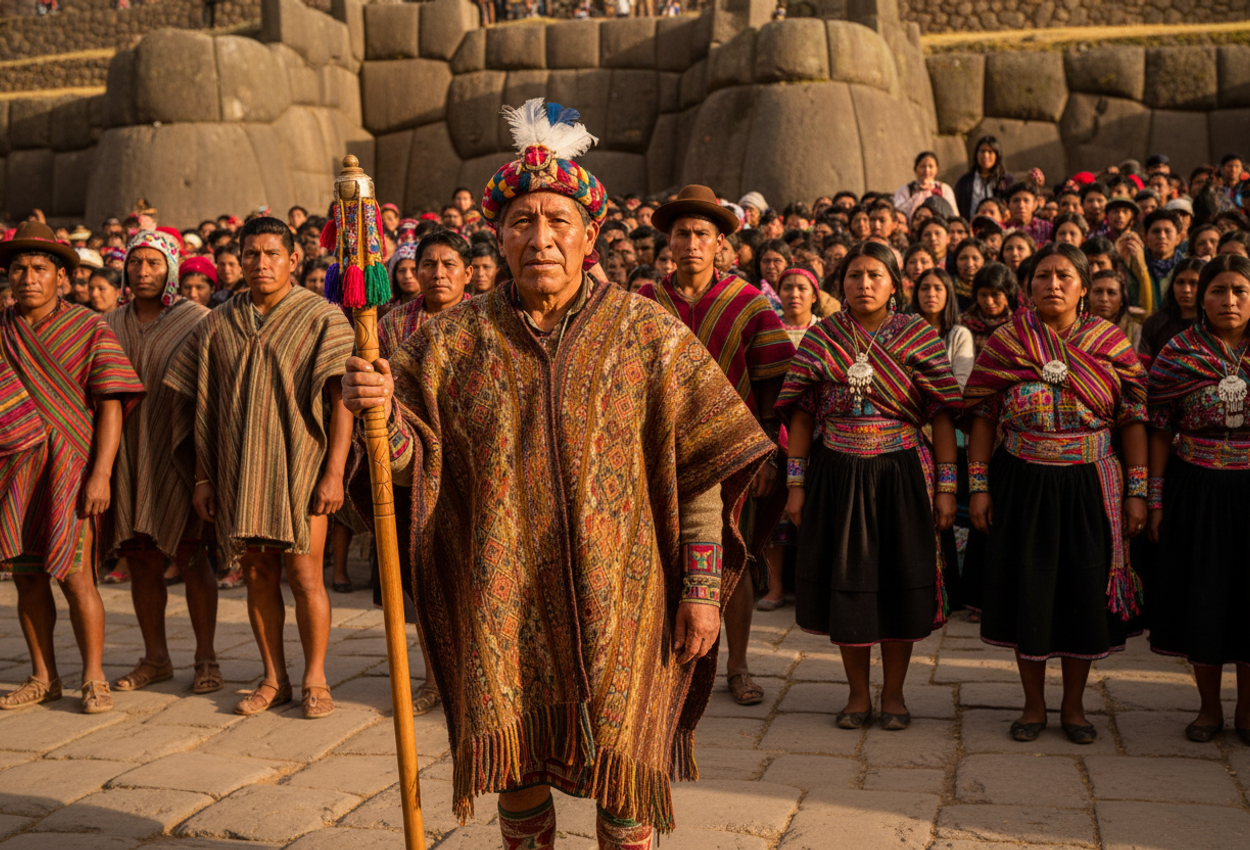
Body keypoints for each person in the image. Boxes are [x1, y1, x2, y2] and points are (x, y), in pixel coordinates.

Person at [341, 102, 774, 847]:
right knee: (517, 765)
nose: (539, 237)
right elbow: (410, 472)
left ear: (589, 235)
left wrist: (702, 590)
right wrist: (381, 417)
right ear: (498, 237)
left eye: (557, 222)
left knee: (625, 768)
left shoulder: (648, 334)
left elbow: (702, 468)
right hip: (502, 599)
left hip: (627, 598)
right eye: (522, 222)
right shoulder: (447, 342)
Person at [164, 216, 354, 720]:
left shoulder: (322, 317)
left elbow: (342, 402)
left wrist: (334, 472)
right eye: (251, 254)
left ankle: (316, 678)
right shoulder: (218, 322)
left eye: (272, 253)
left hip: (302, 466)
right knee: (257, 573)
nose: (261, 263)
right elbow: (202, 403)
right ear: (240, 259)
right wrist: (204, 476)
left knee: (306, 574)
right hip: (239, 469)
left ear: (294, 260)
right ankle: (275, 678)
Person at [964, 242, 1148, 745]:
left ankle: (1073, 707)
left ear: (1084, 287)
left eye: (1064, 275)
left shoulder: (1110, 342)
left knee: (1080, 591)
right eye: (1042, 276)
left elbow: (1132, 418)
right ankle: (1031, 705)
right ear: (1028, 287)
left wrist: (1137, 491)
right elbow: (982, 414)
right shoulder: (1007, 342)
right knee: (1030, 589)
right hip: (1022, 479)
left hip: (1090, 482)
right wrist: (977, 486)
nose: (1052, 284)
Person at [779, 242, 960, 731]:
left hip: (902, 470)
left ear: (895, 284)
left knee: (900, 583)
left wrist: (947, 488)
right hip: (837, 471)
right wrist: (795, 485)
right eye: (855, 275)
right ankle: (857, 696)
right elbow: (801, 414)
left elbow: (942, 413)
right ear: (842, 285)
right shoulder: (822, 339)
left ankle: (896, 695)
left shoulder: (918, 336)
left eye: (875, 274)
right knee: (851, 584)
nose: (864, 284)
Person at [637, 184, 796, 710]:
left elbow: (774, 385)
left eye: (701, 233)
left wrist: (771, 451)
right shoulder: (643, 303)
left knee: (730, 556)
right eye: (681, 233)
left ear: (721, 243)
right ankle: (669, 665)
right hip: (657, 453)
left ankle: (739, 664)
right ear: (669, 240)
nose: (690, 242)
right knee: (661, 561)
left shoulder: (749, 304)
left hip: (735, 455)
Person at [0, 222, 144, 714]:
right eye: (18, 268)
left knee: (76, 576)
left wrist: (101, 472)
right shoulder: (3, 331)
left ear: (62, 278)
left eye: (40, 268)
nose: (28, 277)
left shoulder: (87, 327)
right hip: (15, 470)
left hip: (71, 468)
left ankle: (94, 677)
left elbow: (110, 403)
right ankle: (43, 676)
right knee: (27, 577)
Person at [103, 231, 220, 696]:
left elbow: (211, 390)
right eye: (136, 263)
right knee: (142, 561)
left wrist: (206, 470)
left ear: (172, 268)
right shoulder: (109, 322)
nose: (143, 271)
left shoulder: (198, 320)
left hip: (183, 455)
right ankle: (155, 657)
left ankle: (206, 658)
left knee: (192, 558)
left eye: (153, 263)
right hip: (129, 456)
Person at [1145, 253, 1250, 744]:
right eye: (1218, 290)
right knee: (1204, 597)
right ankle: (1209, 709)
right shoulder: (1177, 353)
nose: (1229, 300)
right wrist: (1157, 500)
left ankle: (1248, 710)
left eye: (1240, 290)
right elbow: (1161, 431)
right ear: (1200, 297)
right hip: (1197, 488)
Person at [756, 266, 824, 612]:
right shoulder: (772, 332)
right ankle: (776, 585)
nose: (794, 294)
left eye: (802, 288)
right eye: (787, 287)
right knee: (778, 513)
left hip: (821, 433)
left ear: (815, 294)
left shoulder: (825, 333)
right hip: (780, 432)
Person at [1138, 257, 1205, 368]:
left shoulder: (1212, 325)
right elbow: (1144, 365)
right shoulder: (1156, 323)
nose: (1186, 289)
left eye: (1194, 283)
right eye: (1180, 282)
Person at [915, 268, 974, 389]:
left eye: (938, 288)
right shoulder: (905, 333)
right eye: (925, 288)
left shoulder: (960, 335)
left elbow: (961, 384)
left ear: (948, 294)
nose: (931, 294)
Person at [961, 263, 1018, 355]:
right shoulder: (963, 325)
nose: (989, 302)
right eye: (983, 295)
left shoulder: (1019, 326)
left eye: (995, 295)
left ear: (1008, 295)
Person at [954, 135, 1012, 219]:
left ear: (997, 155)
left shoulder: (1005, 181)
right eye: (982, 151)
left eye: (990, 152)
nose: (985, 155)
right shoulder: (965, 181)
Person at [1088, 268, 1145, 352]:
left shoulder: (1136, 331)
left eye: (1111, 293)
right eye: (1097, 291)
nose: (1104, 299)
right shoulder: (1076, 328)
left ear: (1121, 299)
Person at [893, 151, 958, 224]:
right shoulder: (905, 189)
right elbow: (897, 212)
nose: (927, 170)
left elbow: (953, 214)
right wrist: (918, 194)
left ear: (936, 169)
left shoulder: (944, 189)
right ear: (915, 169)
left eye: (931, 166)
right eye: (922, 166)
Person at [951, 238, 989, 310]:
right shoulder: (948, 288)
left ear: (984, 261)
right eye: (963, 258)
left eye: (975, 258)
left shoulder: (991, 287)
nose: (969, 264)